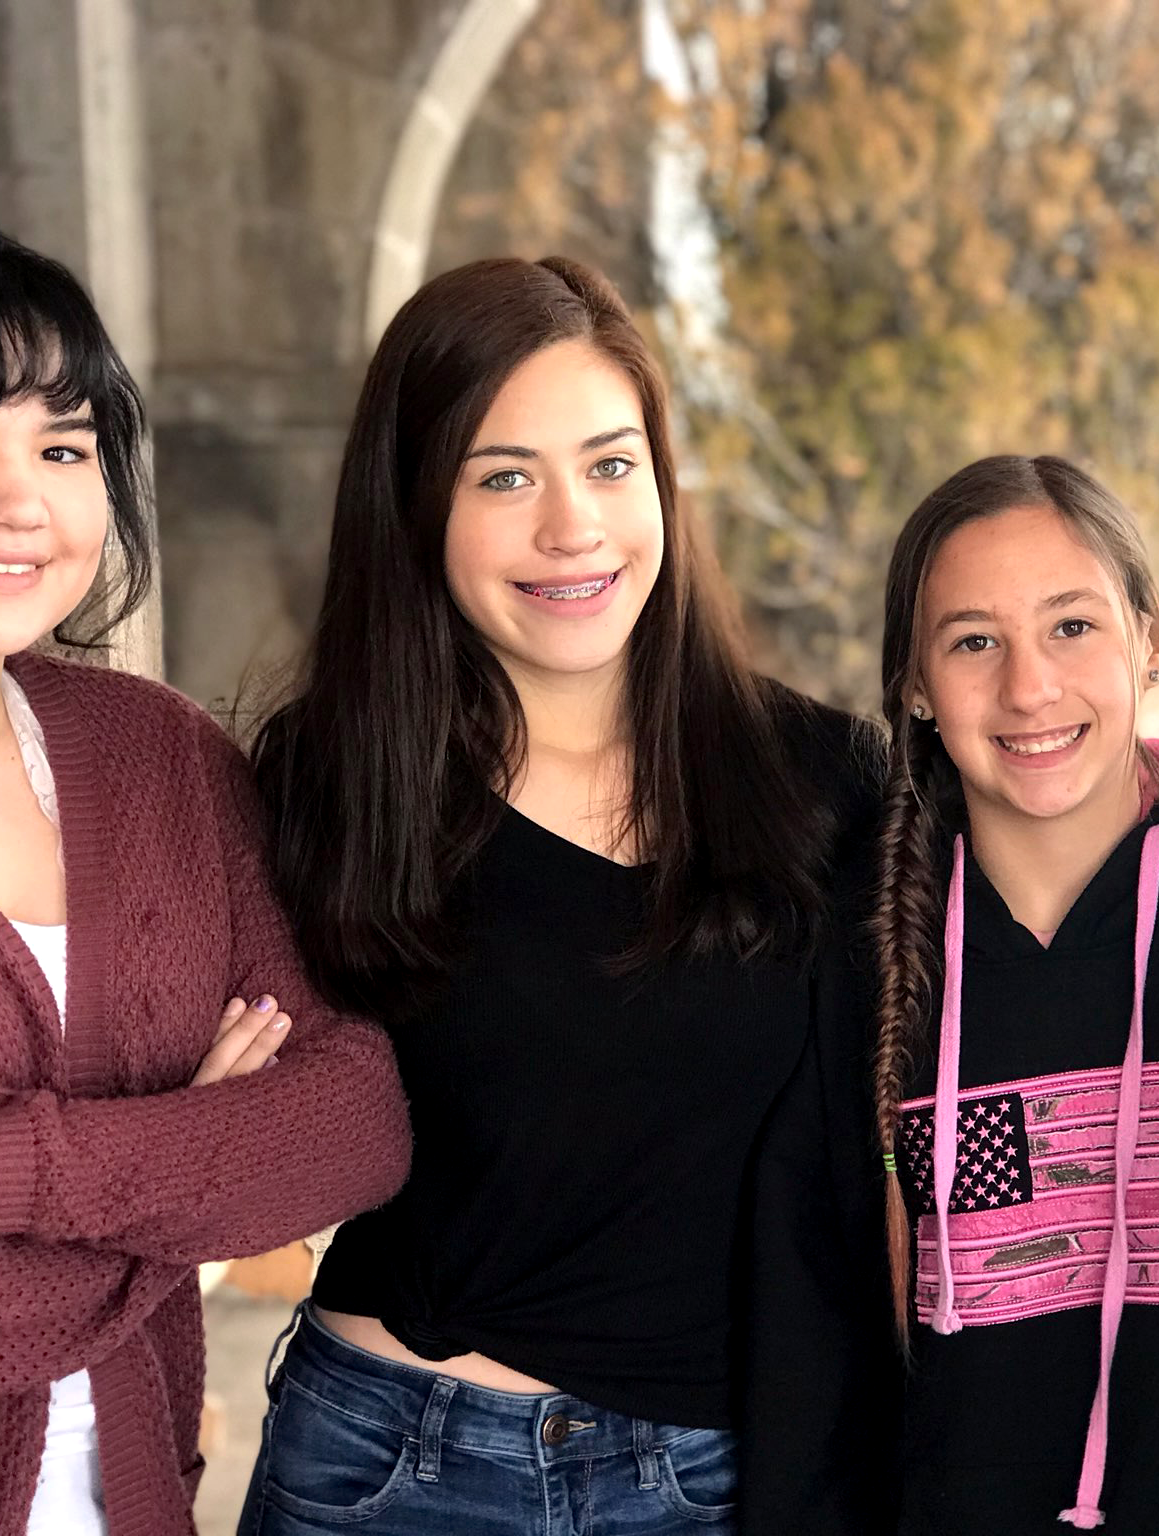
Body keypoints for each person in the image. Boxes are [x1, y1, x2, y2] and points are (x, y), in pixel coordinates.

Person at [0, 160, 412, 1536]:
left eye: (63, 447)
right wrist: (174, 1191)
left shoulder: (158, 756)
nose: (22, 500)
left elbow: (355, 1118)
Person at [237, 256, 880, 1536]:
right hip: (389, 1456)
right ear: (415, 508)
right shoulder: (330, 778)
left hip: (705, 1479)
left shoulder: (824, 782)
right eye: (502, 477)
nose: (570, 527)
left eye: (608, 463)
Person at [741, 455, 1159, 1535]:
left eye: (1070, 627)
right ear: (912, 683)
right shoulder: (859, 947)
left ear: (1152, 638)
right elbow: (808, 1341)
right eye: (971, 643)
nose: (1027, 688)